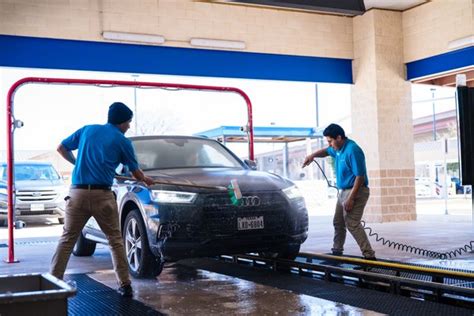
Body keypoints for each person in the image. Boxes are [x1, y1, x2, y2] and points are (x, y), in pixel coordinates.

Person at [50, 102, 154, 297]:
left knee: (67, 239)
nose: (129, 126)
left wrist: (77, 163)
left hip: (77, 194)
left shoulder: (87, 130)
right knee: (115, 240)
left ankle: (53, 282)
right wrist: (146, 179)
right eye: (129, 122)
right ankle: (125, 285)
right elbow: (136, 173)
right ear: (122, 122)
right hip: (102, 196)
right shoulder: (123, 141)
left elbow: (61, 148)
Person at [302, 123, 376, 260]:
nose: (329, 144)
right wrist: (312, 156)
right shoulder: (338, 149)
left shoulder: (352, 150)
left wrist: (351, 198)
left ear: (339, 137)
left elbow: (360, 177)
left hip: (356, 190)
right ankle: (337, 251)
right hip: (343, 191)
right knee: (338, 222)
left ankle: (369, 255)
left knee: (352, 222)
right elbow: (326, 151)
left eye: (330, 141)